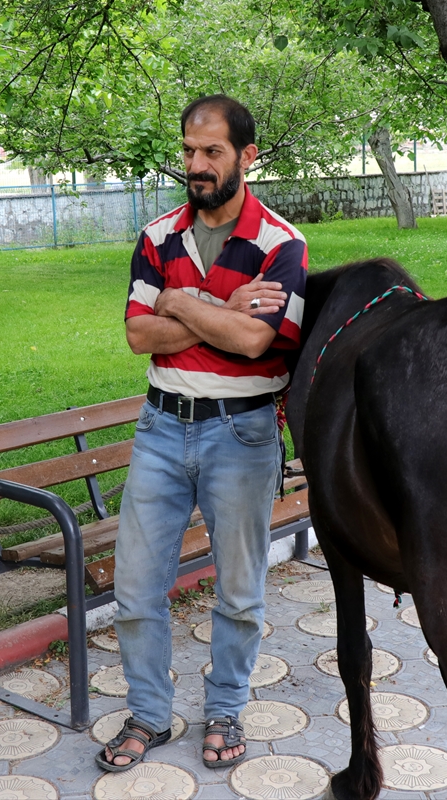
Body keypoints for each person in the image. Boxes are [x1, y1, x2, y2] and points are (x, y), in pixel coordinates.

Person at [95, 95, 307, 772]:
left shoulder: (282, 244)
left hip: (241, 435)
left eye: (212, 151)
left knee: (239, 592)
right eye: (188, 150)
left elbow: (255, 342)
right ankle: (150, 715)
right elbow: (137, 334)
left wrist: (180, 302)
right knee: (135, 589)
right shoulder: (158, 235)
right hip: (161, 429)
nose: (196, 164)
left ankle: (225, 709)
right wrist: (221, 306)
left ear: (247, 156)